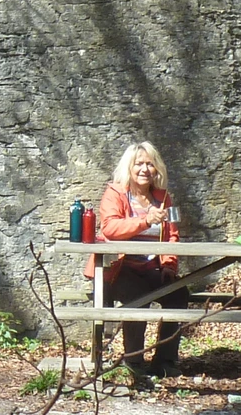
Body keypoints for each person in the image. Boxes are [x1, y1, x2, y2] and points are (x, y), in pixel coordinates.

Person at [83, 141, 188, 380]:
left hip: (151, 267)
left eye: (150, 164)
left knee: (179, 293)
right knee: (138, 297)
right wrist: (146, 220)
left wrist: (169, 264)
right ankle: (134, 363)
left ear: (157, 169)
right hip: (118, 269)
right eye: (139, 164)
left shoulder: (162, 198)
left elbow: (172, 234)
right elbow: (110, 229)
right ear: (129, 168)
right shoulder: (116, 193)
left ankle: (165, 361)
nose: (144, 169)